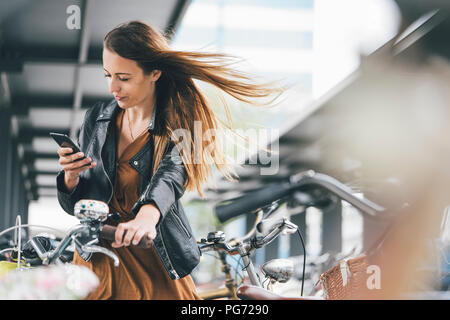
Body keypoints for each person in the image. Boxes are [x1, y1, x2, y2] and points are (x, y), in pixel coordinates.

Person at [55, 20, 282, 300]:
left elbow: (172, 175)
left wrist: (146, 218)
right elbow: (77, 205)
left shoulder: (181, 122)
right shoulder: (96, 118)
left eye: (123, 77)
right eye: (107, 75)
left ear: (155, 73)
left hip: (154, 260)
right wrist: (71, 177)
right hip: (96, 263)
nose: (113, 86)